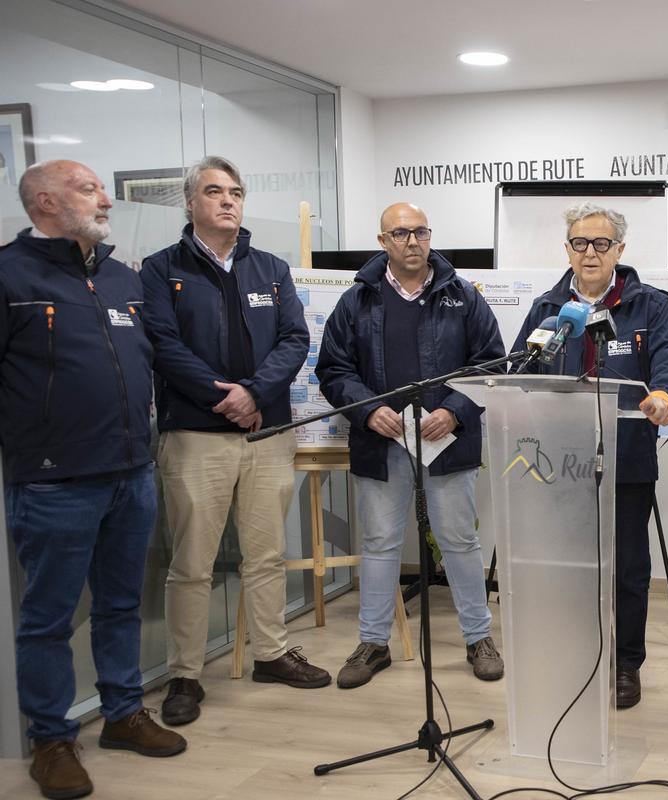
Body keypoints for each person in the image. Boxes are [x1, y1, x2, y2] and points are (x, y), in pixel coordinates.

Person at [2, 160, 185, 799]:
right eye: (89, 189)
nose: (105, 199)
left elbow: (148, 361)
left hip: (131, 471)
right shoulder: (9, 276)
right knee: (49, 617)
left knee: (120, 603)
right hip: (53, 482)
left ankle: (123, 713)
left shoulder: (119, 277)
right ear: (45, 201)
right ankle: (50, 740)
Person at [140, 156, 330, 727]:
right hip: (197, 434)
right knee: (192, 562)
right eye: (215, 192)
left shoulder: (269, 268)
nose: (228, 201)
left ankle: (270, 653)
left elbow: (295, 339)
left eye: (236, 192)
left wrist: (253, 392)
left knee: (266, 552)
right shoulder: (160, 269)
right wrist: (220, 396)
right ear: (190, 203)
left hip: (265, 431)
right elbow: (162, 344)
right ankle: (185, 674)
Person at [316, 202, 506, 687]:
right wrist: (366, 409)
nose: (412, 241)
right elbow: (334, 369)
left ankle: (478, 638)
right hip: (382, 442)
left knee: (459, 540)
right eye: (400, 233)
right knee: (380, 542)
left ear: (430, 237)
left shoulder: (463, 296)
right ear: (382, 242)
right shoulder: (356, 301)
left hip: (446, 440)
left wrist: (454, 411)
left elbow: (491, 364)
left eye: (420, 231)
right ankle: (373, 643)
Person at [510, 201, 668, 709]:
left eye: (601, 243)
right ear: (567, 249)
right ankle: (575, 654)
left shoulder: (648, 304)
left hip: (627, 455)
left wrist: (665, 395)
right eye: (580, 243)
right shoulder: (548, 308)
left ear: (620, 250)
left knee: (627, 569)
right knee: (568, 566)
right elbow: (522, 367)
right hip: (559, 461)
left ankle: (625, 663)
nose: (590, 253)